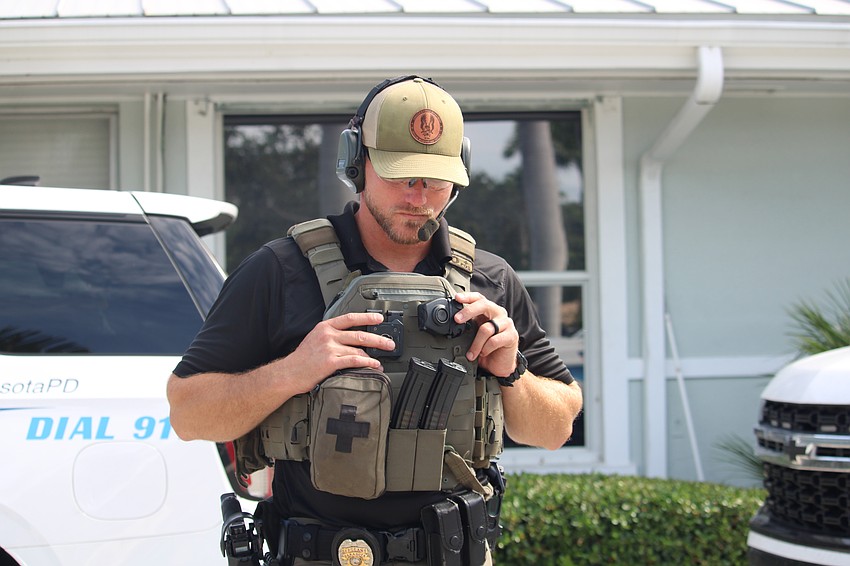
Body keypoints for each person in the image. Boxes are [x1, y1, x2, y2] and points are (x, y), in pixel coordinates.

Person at [167, 75, 583, 566]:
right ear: (355, 164)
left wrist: (511, 372)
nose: (419, 196)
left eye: (434, 179)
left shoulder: (490, 280)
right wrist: (293, 372)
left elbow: (555, 428)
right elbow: (188, 413)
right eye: (401, 175)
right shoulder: (281, 271)